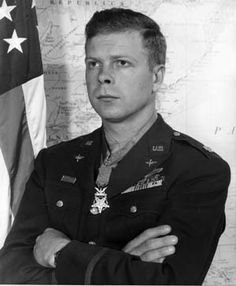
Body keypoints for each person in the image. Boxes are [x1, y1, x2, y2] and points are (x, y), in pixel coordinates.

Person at [0, 8, 230, 285]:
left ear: (156, 77)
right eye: (93, 63)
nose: (103, 76)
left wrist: (61, 252)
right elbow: (11, 270)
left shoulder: (198, 170)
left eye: (121, 63)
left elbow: (171, 281)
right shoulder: (53, 162)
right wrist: (122, 262)